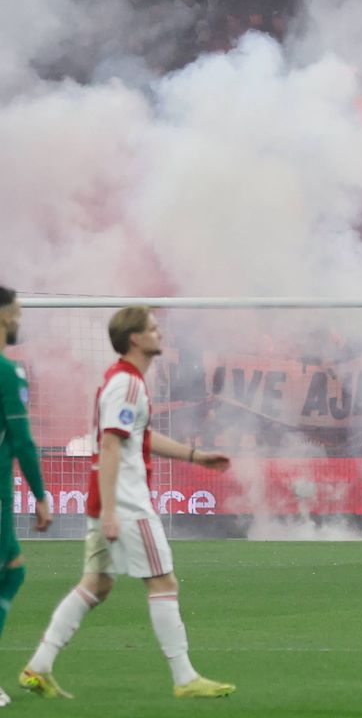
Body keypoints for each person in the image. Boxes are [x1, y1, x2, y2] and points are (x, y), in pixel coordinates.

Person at [20, 306, 236, 700]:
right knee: (163, 582)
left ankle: (38, 667)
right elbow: (110, 444)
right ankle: (185, 677)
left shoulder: (123, 381)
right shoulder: (127, 384)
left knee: (98, 583)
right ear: (135, 338)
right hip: (127, 503)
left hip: (108, 499)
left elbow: (138, 436)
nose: (160, 334)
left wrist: (195, 456)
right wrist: (113, 511)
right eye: (153, 328)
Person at [0, 288, 53, 708]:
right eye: (16, 314)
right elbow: (21, 440)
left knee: (14, 569)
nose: (19, 321)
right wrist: (40, 494)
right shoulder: (7, 373)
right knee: (9, 572)